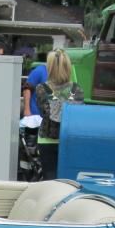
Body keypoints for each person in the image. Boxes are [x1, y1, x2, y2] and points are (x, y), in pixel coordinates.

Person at [34, 48, 83, 179]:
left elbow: (43, 113)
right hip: (69, 140)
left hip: (47, 140)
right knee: (70, 180)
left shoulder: (41, 88)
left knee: (50, 179)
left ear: (50, 67)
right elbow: (79, 116)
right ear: (67, 67)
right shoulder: (76, 89)